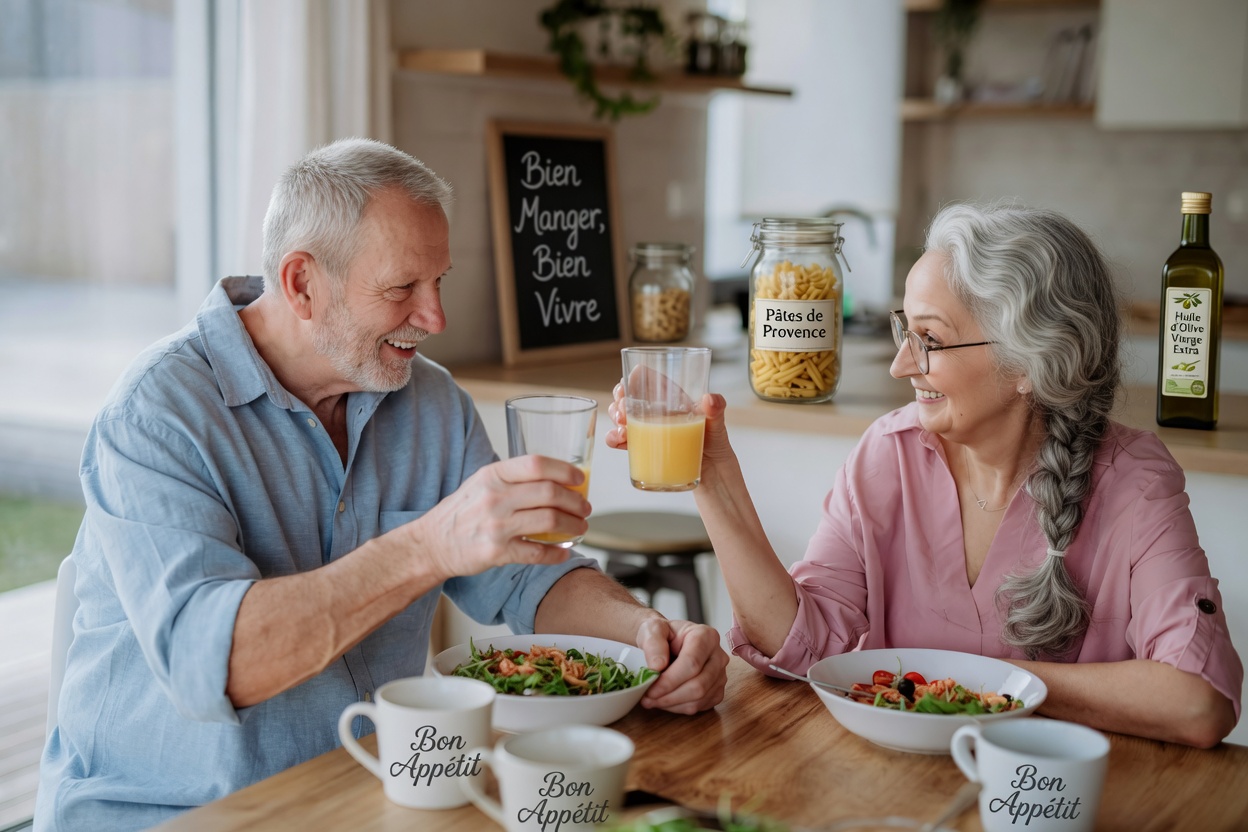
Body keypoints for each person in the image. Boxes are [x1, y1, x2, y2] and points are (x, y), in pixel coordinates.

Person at [35, 138, 728, 831]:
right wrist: (431, 546)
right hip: (172, 814)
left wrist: (648, 636)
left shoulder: (431, 404)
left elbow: (528, 576)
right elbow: (218, 665)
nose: (435, 319)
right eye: (402, 289)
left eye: (439, 282)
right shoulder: (158, 415)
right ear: (303, 282)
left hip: (368, 794)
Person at [609, 202, 1241, 748]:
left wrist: (979, 686)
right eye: (903, 332)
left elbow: (1197, 701)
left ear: (1029, 362)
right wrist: (710, 475)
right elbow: (799, 646)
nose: (901, 365)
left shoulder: (1133, 481)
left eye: (930, 339)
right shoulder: (892, 453)